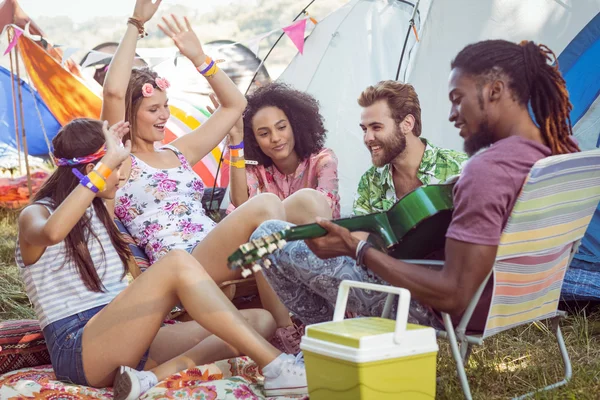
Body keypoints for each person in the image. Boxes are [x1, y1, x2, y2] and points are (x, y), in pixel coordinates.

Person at [249, 39, 579, 332]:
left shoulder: (484, 171)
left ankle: (321, 344)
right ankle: (324, 344)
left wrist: (357, 249)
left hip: (434, 310)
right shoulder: (555, 155)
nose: (451, 114)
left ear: (493, 91)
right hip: (510, 303)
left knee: (266, 235)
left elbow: (452, 293)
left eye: (457, 98)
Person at [16, 118, 307, 400]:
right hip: (80, 348)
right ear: (93, 170)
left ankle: (147, 380)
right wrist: (104, 166)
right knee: (176, 262)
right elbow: (53, 232)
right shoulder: (36, 214)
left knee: (258, 321)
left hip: (126, 337)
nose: (121, 175)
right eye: (116, 167)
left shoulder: (100, 208)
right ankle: (278, 366)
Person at [103, 0, 330, 340]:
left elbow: (237, 104)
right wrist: (136, 23)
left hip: (213, 243)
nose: (164, 116)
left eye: (166, 106)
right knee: (266, 207)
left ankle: (330, 314)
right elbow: (113, 90)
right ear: (130, 114)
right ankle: (287, 335)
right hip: (183, 263)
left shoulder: (178, 152)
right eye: (153, 109)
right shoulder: (117, 158)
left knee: (310, 202)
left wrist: (200, 57)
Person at [223, 82, 340, 219]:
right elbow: (240, 206)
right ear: (254, 140)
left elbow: (321, 211)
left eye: (281, 127)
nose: (275, 138)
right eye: (264, 134)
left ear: (295, 126)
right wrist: (236, 140)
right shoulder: (256, 169)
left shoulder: (324, 160)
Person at [353, 80, 468, 216]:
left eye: (376, 127)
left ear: (407, 124)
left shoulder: (462, 169)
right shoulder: (369, 182)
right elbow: (361, 233)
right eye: (364, 129)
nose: (367, 138)